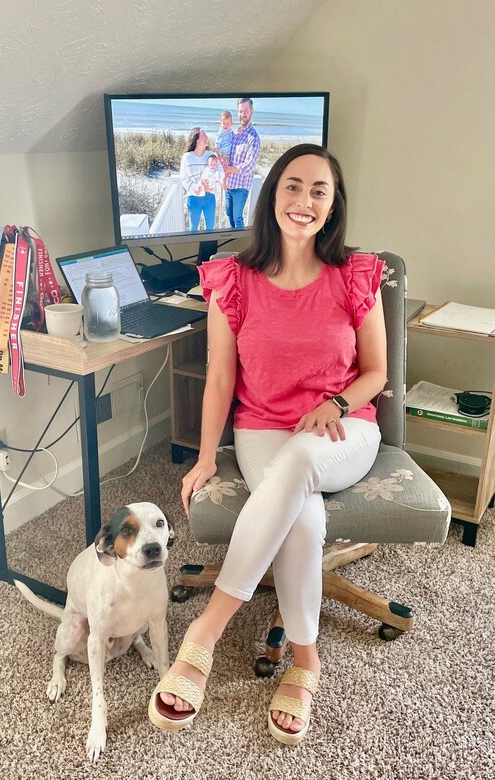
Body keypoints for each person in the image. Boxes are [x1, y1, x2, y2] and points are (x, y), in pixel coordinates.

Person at [148, 144, 387, 746]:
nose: (304, 201)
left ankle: (204, 632)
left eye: (319, 191)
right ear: (271, 194)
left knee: (303, 458)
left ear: (333, 206)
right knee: (301, 517)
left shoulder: (356, 274)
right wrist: (206, 456)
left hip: (342, 428)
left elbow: (376, 373)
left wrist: (333, 405)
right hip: (261, 430)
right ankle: (306, 663)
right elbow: (222, 379)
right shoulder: (233, 280)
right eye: (292, 186)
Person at [224, 97, 261, 228]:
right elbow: (225, 149)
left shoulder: (253, 137)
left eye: (245, 110)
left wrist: (229, 169)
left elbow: (249, 165)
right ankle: (232, 242)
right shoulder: (235, 133)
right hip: (229, 184)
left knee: (237, 218)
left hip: (240, 186)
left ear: (251, 111)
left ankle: (240, 246)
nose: (242, 114)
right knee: (228, 214)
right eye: (240, 111)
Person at [179, 127, 216, 231]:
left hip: (209, 196)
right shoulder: (187, 157)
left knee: (210, 228)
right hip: (193, 197)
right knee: (193, 228)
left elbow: (216, 172)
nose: (207, 137)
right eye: (204, 135)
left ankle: (209, 248)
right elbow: (184, 178)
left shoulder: (211, 155)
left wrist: (208, 186)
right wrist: (197, 188)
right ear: (196, 139)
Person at [214, 110, 235, 189]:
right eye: (223, 123)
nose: (225, 125)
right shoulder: (221, 133)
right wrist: (220, 157)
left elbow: (234, 136)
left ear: (231, 123)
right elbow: (216, 147)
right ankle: (223, 181)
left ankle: (224, 180)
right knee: (226, 168)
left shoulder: (230, 131)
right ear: (220, 122)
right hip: (223, 154)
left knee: (227, 169)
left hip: (228, 154)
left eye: (227, 123)